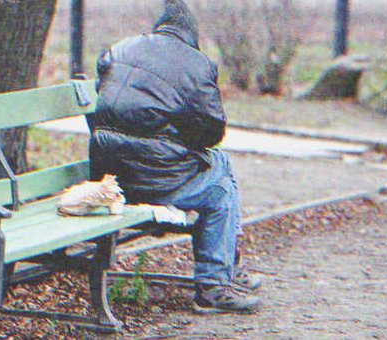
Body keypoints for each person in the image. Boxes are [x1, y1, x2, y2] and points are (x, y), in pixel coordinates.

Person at [88, 0, 262, 313]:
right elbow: (211, 133)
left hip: (108, 176)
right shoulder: (197, 64)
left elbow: (109, 105)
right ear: (191, 35)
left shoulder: (119, 49)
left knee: (220, 166)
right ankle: (214, 285)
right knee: (220, 183)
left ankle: (229, 267)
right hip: (155, 182)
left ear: (160, 27)